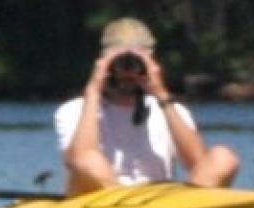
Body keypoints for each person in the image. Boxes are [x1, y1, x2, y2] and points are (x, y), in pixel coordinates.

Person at [55, 17, 240, 196]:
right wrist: (93, 92)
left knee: (223, 156)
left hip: (156, 202)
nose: (127, 73)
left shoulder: (171, 110)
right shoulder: (75, 110)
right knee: (89, 159)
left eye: (135, 65)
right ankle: (125, 207)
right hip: (96, 200)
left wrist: (161, 94)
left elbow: (198, 164)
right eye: (120, 64)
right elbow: (77, 161)